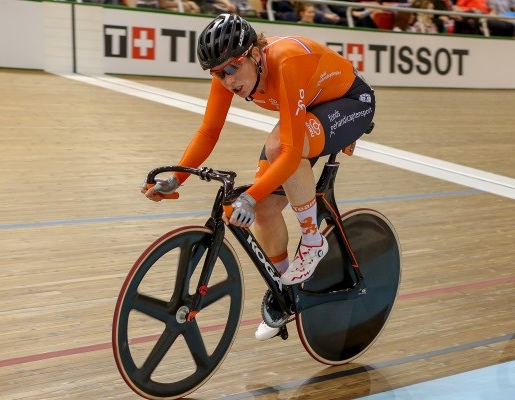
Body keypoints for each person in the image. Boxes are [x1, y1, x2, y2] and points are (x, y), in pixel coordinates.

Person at [141, 14, 375, 340]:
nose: (227, 81)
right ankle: (287, 291)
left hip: (349, 103)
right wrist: (178, 178)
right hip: (310, 110)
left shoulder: (285, 63)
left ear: (254, 53)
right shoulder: (228, 73)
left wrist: (249, 196)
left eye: (232, 69)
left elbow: (292, 152)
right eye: (217, 74)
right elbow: (209, 132)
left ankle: (312, 240)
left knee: (280, 150)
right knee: (264, 210)